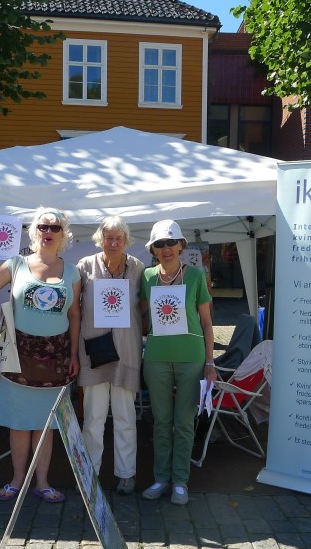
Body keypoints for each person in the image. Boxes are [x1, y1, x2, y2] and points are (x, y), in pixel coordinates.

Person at [0, 207, 80, 504]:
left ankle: (43, 482)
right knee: (20, 423)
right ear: (34, 231)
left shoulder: (72, 273)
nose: (48, 232)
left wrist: (73, 355)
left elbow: (74, 316)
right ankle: (18, 480)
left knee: (45, 425)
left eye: (55, 227)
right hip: (18, 357)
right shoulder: (16, 264)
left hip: (55, 360)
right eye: (43, 226)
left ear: (63, 233)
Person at [138, 219, 215, 505]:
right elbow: (140, 317)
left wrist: (210, 362)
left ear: (181, 245)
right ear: (153, 249)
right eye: (160, 244)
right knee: (161, 421)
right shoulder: (145, 277)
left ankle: (180, 480)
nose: (166, 248)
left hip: (191, 359)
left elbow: (207, 323)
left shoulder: (195, 275)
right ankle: (161, 478)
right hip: (156, 358)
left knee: (184, 422)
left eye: (171, 242)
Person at [76, 216, 144, 495]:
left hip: (126, 352)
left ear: (126, 240)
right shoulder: (85, 267)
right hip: (94, 352)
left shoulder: (138, 268)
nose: (113, 243)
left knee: (126, 418)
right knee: (93, 418)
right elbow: (74, 308)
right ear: (100, 239)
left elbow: (144, 307)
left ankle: (126, 474)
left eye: (118, 238)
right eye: (108, 237)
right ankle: (90, 473)